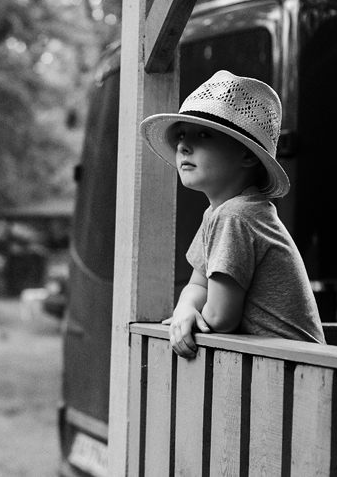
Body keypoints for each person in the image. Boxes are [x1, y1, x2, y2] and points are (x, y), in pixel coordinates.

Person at [139, 70, 325, 358]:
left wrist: (188, 323)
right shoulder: (219, 213)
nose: (182, 145)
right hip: (275, 365)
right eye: (181, 134)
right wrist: (185, 308)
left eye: (203, 134)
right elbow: (197, 285)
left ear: (247, 155)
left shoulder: (237, 216)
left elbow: (220, 318)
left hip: (295, 367)